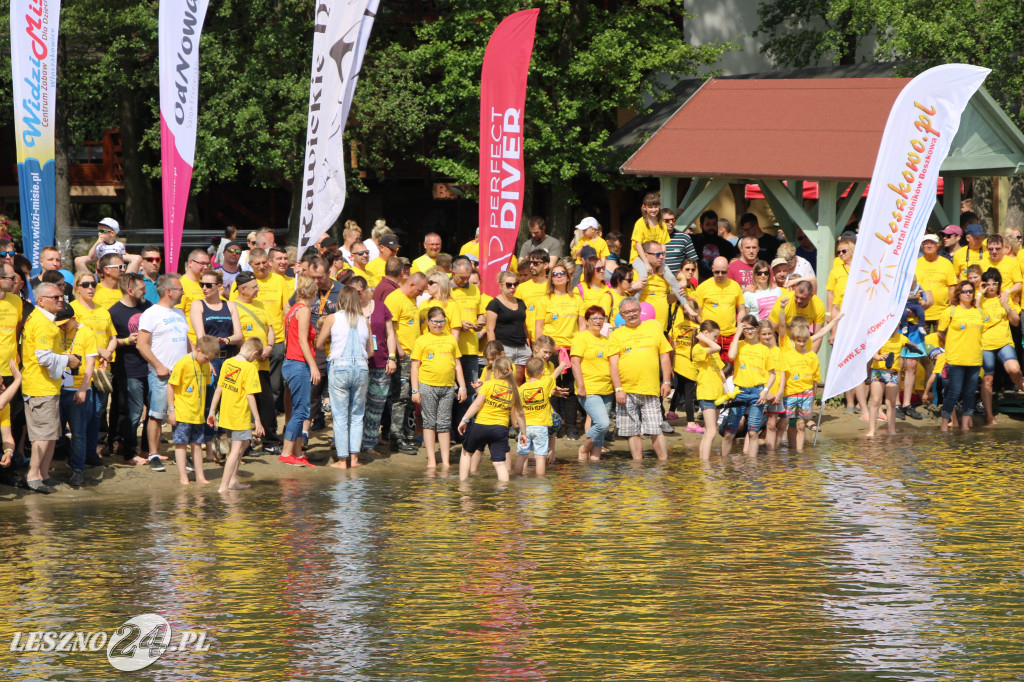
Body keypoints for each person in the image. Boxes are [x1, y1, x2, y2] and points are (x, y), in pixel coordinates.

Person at [23, 284, 79, 493]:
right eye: (55, 297)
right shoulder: (42, 322)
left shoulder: (46, 320)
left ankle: (44, 474)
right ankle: (33, 476)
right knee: (43, 435)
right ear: (41, 300)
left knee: (52, 433)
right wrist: (68, 359)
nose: (60, 300)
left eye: (61, 296)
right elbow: (43, 356)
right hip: (40, 386)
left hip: (47, 385)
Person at [136, 274, 190, 471]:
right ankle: (153, 454)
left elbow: (186, 341)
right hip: (162, 374)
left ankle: (181, 453)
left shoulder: (180, 313)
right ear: (169, 291)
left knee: (182, 416)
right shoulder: (151, 314)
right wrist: (158, 365)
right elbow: (142, 345)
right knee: (156, 415)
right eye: (180, 289)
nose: (183, 292)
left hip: (182, 374)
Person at [608, 297, 673, 461]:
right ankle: (637, 465)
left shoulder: (654, 329)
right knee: (632, 431)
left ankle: (663, 464)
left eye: (634, 310)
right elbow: (613, 364)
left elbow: (664, 357)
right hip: (626, 390)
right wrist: (618, 389)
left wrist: (666, 382)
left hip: (650, 389)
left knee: (655, 429)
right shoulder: (617, 335)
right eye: (627, 312)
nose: (631, 314)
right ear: (622, 315)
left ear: (639, 311)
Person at [316, 285, 372, 468]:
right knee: (357, 415)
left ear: (340, 300)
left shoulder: (332, 318)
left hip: (340, 366)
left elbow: (318, 344)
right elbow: (370, 351)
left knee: (340, 416)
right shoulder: (364, 320)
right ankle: (355, 459)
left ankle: (342, 460)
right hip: (362, 367)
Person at [231, 248, 290, 415]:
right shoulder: (243, 281)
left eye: (265, 262)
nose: (262, 266)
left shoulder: (279, 280)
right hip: (249, 344)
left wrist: (286, 336)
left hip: (276, 338)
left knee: (274, 383)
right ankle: (254, 415)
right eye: (257, 264)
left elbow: (286, 308)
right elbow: (233, 308)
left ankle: (270, 413)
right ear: (250, 265)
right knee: (252, 381)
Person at [190, 269, 242, 457]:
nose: (204, 288)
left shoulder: (230, 306)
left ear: (219, 286)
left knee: (229, 401)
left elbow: (239, 335)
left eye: (209, 285)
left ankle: (229, 445)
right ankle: (209, 447)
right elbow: (201, 336)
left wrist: (227, 340)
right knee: (210, 402)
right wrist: (208, 360)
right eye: (201, 284)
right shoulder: (198, 305)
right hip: (210, 358)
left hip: (229, 358)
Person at [70, 271, 117, 467]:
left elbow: (113, 335)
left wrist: (107, 352)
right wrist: (100, 351)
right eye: (86, 284)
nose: (91, 288)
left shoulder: (102, 310)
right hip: (82, 370)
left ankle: (91, 453)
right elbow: (74, 335)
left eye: (93, 284)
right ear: (77, 288)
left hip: (102, 369)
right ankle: (78, 457)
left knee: (98, 412)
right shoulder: (72, 309)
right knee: (83, 415)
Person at [411, 306, 467, 468]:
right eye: (435, 321)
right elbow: (415, 366)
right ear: (428, 322)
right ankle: (432, 460)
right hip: (427, 385)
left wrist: (462, 387)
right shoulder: (422, 340)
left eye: (441, 321)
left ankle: (446, 461)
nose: (438, 325)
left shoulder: (450, 339)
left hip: (448, 387)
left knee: (444, 423)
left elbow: (457, 364)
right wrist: (415, 390)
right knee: (429, 423)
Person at [207, 337, 265, 492]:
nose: (254, 361)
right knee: (235, 450)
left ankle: (233, 480)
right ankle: (223, 486)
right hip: (240, 415)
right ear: (254, 353)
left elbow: (219, 388)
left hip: (227, 413)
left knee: (244, 443)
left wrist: (213, 411)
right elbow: (250, 395)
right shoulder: (249, 368)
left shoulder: (228, 362)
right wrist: (258, 420)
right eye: (255, 358)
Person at [231, 272, 281, 455]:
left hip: (263, 362)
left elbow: (270, 329)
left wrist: (269, 346)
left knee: (267, 402)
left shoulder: (259, 304)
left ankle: (269, 440)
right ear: (242, 289)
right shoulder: (233, 307)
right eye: (254, 287)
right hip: (246, 364)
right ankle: (245, 444)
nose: (258, 290)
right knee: (244, 405)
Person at [457, 356, 527, 482]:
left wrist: (464, 420)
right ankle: (503, 496)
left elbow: (477, 404)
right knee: (499, 463)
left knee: (467, 452)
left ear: (497, 371)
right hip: (500, 429)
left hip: (481, 426)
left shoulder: (488, 385)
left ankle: (463, 486)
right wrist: (524, 433)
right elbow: (520, 414)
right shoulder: (514, 390)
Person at [534, 262, 583, 439]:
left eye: (562, 273)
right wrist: (540, 351)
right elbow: (538, 328)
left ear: (568, 277)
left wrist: (581, 348)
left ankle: (571, 427)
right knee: (551, 387)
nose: (559, 276)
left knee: (570, 389)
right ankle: (552, 425)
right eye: (555, 274)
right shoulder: (544, 300)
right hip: (551, 350)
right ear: (551, 279)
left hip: (571, 349)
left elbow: (582, 326)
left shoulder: (576, 298)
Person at [349, 276, 397, 456]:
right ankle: (351, 441)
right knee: (354, 403)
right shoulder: (349, 309)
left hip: (380, 362)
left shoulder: (381, 307)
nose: (357, 295)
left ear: (365, 290)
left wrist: (392, 357)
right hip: (357, 364)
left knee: (376, 405)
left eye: (359, 292)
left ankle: (369, 443)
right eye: (354, 293)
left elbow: (390, 334)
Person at [108, 273, 152, 464]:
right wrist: (126, 341)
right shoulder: (114, 312)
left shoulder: (148, 307)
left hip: (149, 367)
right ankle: (129, 453)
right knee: (133, 413)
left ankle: (149, 450)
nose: (145, 291)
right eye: (141, 288)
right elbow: (107, 342)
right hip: (128, 369)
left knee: (153, 411)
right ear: (129, 290)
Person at [279, 275, 320, 467]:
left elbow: (291, 339)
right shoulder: (303, 311)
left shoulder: (292, 310)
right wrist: (313, 366)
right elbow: (303, 341)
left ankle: (296, 452)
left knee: (297, 409)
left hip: (290, 363)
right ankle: (287, 452)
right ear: (314, 294)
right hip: (298, 363)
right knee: (302, 411)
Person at [721, 315, 776, 458]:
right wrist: (738, 332)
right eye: (746, 329)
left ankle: (752, 466)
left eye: (752, 328)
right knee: (730, 431)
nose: (749, 332)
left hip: (757, 392)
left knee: (753, 431)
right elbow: (731, 356)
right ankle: (724, 463)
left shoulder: (764, 349)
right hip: (739, 391)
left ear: (757, 329)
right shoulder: (739, 345)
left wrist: (765, 391)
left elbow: (772, 374)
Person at [166, 335, 218, 485]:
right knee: (181, 443)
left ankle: (200, 476)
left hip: (198, 413)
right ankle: (183, 477)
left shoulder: (206, 365)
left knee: (197, 444)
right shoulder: (183, 363)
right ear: (198, 350)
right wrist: (171, 410)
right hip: (183, 412)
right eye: (206, 358)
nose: (208, 362)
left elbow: (205, 387)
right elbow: (171, 387)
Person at [385, 272, 427, 453]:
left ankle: (404, 434)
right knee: (400, 398)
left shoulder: (410, 300)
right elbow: (390, 328)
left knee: (410, 398)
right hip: (403, 356)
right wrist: (398, 351)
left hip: (414, 356)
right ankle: (396, 437)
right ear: (411, 284)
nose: (421, 293)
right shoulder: (395, 299)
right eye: (420, 290)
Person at [56, 304, 96, 488]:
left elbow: (90, 364)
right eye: (60, 324)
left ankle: (78, 470)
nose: (62, 327)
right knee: (57, 432)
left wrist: (83, 388)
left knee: (78, 433)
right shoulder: (57, 330)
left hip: (78, 389)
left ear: (73, 318)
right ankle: (64, 462)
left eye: (65, 323)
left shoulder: (86, 332)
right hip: (58, 388)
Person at [977, 268, 1024, 424]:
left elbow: (1016, 322)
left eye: (994, 283)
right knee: (988, 379)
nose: (991, 287)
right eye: (987, 284)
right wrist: (978, 295)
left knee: (1015, 369)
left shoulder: (1004, 298)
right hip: (985, 344)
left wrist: (1006, 306)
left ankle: (1021, 387)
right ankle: (990, 417)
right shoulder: (979, 300)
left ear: (998, 284)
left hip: (1004, 342)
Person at [937, 280, 984, 432]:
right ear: (959, 294)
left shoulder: (979, 312)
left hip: (974, 359)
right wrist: (951, 347)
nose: (968, 294)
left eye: (970, 291)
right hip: (956, 359)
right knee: (954, 392)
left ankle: (965, 426)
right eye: (964, 291)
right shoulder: (950, 311)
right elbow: (940, 333)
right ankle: (944, 424)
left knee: (970, 393)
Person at [571, 305, 615, 461]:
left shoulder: (606, 340)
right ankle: (584, 449)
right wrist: (581, 385)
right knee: (603, 424)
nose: (598, 321)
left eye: (601, 318)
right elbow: (575, 362)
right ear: (587, 321)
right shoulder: (581, 337)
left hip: (607, 389)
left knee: (601, 427)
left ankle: (595, 463)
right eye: (594, 318)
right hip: (589, 388)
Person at [514, 354, 566, 475]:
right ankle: (540, 483)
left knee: (522, 455)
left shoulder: (521, 389)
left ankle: (515, 478)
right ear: (542, 372)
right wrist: (562, 364)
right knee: (540, 457)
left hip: (525, 427)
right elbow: (555, 374)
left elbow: (518, 410)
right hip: (541, 427)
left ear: (526, 372)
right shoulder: (545, 383)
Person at [450, 260, 484, 426]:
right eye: (462, 277)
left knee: (470, 390)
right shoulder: (445, 290)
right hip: (450, 349)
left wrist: (480, 324)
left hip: (471, 349)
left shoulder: (475, 290)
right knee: (451, 391)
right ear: (452, 271)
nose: (465, 281)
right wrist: (458, 323)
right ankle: (449, 430)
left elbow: (481, 313)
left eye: (467, 277)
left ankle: (466, 430)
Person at [694, 256, 745, 361]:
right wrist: (704, 331)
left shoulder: (735, 286)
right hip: (710, 336)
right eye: (717, 272)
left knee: (730, 368)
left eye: (723, 272)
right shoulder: (703, 287)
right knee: (711, 367)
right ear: (712, 268)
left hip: (730, 335)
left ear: (728, 269)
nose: (720, 275)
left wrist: (740, 326)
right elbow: (697, 312)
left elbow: (741, 310)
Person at [864, 326, 912, 437]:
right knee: (876, 401)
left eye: (896, 329)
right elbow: (873, 353)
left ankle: (892, 429)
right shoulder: (879, 337)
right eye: (892, 328)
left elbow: (910, 345)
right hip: (878, 372)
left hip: (892, 373)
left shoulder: (901, 338)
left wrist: (912, 347)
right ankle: (871, 430)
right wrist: (879, 357)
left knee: (891, 402)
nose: (894, 331)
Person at [486, 270, 530, 383]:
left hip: (521, 347)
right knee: (503, 380)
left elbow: (524, 326)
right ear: (500, 286)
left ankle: (515, 401)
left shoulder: (521, 303)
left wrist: (528, 344)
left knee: (518, 382)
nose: (512, 287)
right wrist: (494, 350)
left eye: (515, 284)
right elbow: (490, 329)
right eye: (509, 284)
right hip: (504, 347)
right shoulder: (494, 304)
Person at [780, 324, 819, 449]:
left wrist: (813, 396)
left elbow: (815, 379)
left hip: (807, 394)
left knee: (801, 424)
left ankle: (800, 451)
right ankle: (792, 450)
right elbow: (782, 376)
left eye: (804, 341)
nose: (801, 344)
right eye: (798, 341)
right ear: (793, 339)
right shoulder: (786, 355)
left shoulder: (812, 356)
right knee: (790, 423)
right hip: (790, 393)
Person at [770, 281, 826, 352]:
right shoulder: (784, 301)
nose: (799, 301)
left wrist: (810, 357)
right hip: (783, 340)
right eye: (797, 297)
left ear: (811, 296)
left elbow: (818, 335)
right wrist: (775, 354)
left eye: (803, 298)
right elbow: (770, 329)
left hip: (803, 341)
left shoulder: (818, 305)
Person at [917, 234, 957, 332]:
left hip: (942, 313)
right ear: (922, 246)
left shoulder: (946, 263)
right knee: (921, 345)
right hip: (921, 312)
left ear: (938, 245)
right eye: (926, 244)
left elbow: (952, 286)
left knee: (941, 343)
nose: (929, 246)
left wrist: (950, 306)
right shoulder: (916, 263)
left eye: (932, 243)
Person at [517, 249, 552, 342]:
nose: (532, 266)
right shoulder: (521, 288)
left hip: (550, 338)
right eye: (530, 263)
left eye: (535, 263)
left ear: (546, 265)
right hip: (528, 338)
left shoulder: (553, 286)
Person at [691, 209, 738, 278]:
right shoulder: (693, 241)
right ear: (701, 226)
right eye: (708, 224)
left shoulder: (726, 245)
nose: (711, 227)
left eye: (714, 224)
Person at [629, 192, 669, 262]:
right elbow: (638, 245)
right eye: (650, 207)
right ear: (644, 207)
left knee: (667, 272)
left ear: (659, 206)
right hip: (640, 257)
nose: (653, 210)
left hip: (657, 258)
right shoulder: (640, 223)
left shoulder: (662, 224)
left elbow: (663, 245)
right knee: (643, 272)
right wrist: (646, 263)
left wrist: (662, 263)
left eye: (656, 207)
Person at [178, 249, 211, 323]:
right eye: (202, 263)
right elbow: (178, 314)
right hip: (190, 334)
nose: (205, 267)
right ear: (190, 263)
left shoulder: (204, 284)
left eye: (207, 264)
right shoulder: (181, 285)